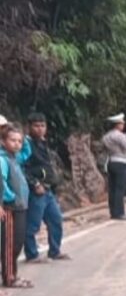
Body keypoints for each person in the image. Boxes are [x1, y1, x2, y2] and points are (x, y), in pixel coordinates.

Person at [23, 112, 70, 263]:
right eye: (36, 126)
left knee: (56, 220)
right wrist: (35, 183)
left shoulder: (42, 143)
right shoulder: (25, 145)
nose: (40, 129)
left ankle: (54, 251)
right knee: (33, 224)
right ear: (28, 127)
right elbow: (22, 168)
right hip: (36, 191)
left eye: (42, 126)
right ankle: (32, 254)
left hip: (48, 190)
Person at [0, 125, 33, 290]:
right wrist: (8, 198)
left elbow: (27, 152)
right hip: (10, 207)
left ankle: (12, 274)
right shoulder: (3, 159)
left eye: (19, 141)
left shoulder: (15, 158)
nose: (17, 144)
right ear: (3, 141)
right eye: (12, 140)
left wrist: (24, 138)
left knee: (17, 242)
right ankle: (9, 278)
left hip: (20, 206)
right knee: (10, 244)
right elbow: (1, 183)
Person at [102, 113, 126, 220]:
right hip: (121, 163)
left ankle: (113, 212)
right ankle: (120, 212)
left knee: (112, 188)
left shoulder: (106, 136)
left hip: (111, 162)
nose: (123, 125)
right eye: (122, 123)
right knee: (120, 188)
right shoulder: (119, 136)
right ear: (117, 124)